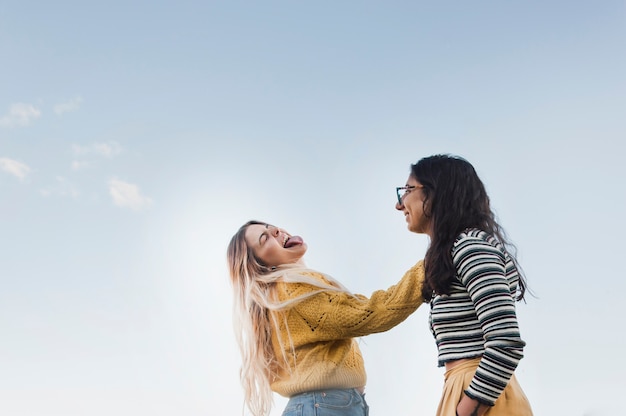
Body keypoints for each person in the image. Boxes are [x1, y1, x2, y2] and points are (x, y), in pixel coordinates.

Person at [226, 220, 425, 416]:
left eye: (271, 227)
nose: (276, 230)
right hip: (323, 406)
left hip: (319, 406)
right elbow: (367, 315)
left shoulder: (276, 298)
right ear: (261, 265)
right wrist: (427, 269)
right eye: (264, 238)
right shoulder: (291, 288)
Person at [395, 154, 533, 416]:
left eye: (408, 190)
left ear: (437, 192)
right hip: (463, 390)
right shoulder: (453, 252)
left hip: (482, 397)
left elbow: (505, 341)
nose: (399, 204)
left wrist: (465, 411)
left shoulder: (470, 246)